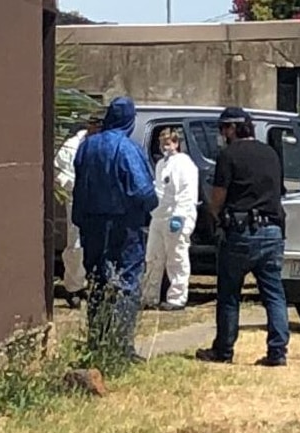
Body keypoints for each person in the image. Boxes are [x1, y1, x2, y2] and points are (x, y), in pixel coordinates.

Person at [195, 107, 289, 367]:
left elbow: (218, 197)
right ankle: (277, 351)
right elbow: (277, 191)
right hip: (272, 231)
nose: (222, 134)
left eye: (223, 129)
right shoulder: (270, 153)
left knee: (229, 294)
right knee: (274, 294)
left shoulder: (228, 155)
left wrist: (213, 217)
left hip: (240, 232)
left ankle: (224, 350)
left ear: (233, 128)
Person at [72, 96, 158, 361]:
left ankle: (97, 341)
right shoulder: (127, 148)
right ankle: (120, 347)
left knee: (97, 281)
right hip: (123, 227)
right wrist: (151, 206)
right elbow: (143, 190)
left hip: (90, 224)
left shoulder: (87, 146)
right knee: (125, 283)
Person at [141, 127, 199, 311]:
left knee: (176, 258)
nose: (165, 147)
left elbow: (187, 193)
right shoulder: (161, 165)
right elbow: (160, 190)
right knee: (153, 257)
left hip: (176, 215)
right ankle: (150, 296)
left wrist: (179, 216)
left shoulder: (185, 163)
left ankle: (177, 298)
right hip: (159, 215)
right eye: (162, 143)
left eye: (169, 142)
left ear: (176, 143)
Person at [54, 113, 103, 309]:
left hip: (99, 201)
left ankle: (92, 284)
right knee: (76, 245)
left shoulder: (103, 144)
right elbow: (56, 171)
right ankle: (73, 288)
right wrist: (73, 185)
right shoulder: (71, 146)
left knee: (98, 244)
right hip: (77, 200)